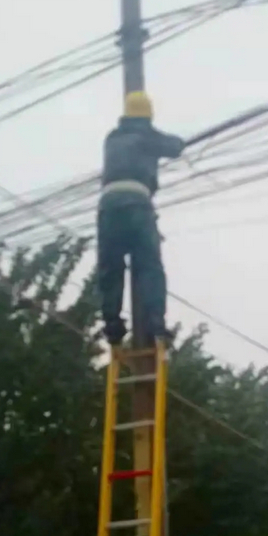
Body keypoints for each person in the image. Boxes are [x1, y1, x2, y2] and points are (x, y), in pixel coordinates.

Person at [97, 90, 185, 346]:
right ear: (148, 116)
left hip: (108, 206)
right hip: (137, 203)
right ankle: (155, 321)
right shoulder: (147, 135)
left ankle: (112, 324)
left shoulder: (112, 137)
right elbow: (175, 146)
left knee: (110, 268)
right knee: (149, 264)